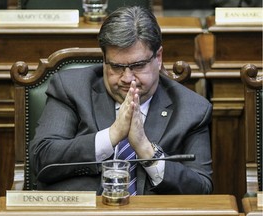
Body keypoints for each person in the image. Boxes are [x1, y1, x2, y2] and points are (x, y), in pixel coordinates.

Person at [30, 6, 213, 195]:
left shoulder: (192, 110)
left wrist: (147, 151)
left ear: (158, 58)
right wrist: (111, 136)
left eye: (138, 65)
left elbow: (202, 188)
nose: (127, 78)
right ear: (104, 59)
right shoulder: (72, 88)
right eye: (117, 67)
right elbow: (41, 160)